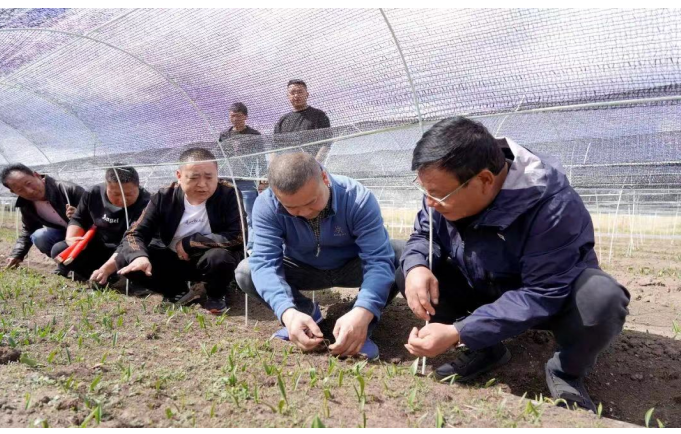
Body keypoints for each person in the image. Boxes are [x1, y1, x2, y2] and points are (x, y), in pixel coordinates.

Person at [397, 117, 630, 412]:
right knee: (404, 264)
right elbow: (424, 235)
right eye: (425, 192)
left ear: (484, 180)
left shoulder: (553, 206)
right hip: (481, 283)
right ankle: (486, 350)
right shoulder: (443, 191)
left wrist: (459, 332)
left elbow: (542, 292)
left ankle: (565, 371)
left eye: (437, 195)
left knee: (601, 297)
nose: (430, 202)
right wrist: (417, 266)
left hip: (547, 300)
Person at [235, 152, 399, 360]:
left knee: (399, 255)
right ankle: (304, 315)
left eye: (312, 201)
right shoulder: (266, 205)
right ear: (276, 194)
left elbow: (377, 260)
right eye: (291, 207)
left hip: (351, 266)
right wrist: (287, 312)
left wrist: (364, 310)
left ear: (324, 178)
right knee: (247, 271)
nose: (304, 212)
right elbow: (265, 262)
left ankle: (358, 324)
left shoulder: (357, 198)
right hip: (302, 269)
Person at [116, 147, 246, 314]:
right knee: (126, 258)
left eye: (209, 177)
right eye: (194, 177)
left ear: (217, 174)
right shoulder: (164, 196)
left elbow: (238, 235)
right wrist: (139, 256)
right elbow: (134, 233)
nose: (202, 184)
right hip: (173, 261)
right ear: (179, 175)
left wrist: (190, 243)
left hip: (209, 260)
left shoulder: (228, 194)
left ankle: (216, 294)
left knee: (219, 258)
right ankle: (177, 291)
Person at [50, 165, 150, 286]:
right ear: (106, 186)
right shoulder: (94, 193)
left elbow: (132, 240)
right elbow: (79, 218)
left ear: (138, 186)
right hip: (100, 246)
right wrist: (71, 237)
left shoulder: (147, 203)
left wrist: (107, 268)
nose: (122, 199)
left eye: (128, 195)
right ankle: (98, 276)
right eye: (115, 194)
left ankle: (114, 277)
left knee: (144, 258)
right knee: (59, 249)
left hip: (128, 249)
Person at [1, 163, 84, 269]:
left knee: (58, 248)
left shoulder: (68, 190)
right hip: (64, 233)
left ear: (37, 175)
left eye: (29, 183)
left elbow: (98, 216)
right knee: (40, 237)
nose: (29, 191)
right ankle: (72, 268)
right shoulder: (26, 205)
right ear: (13, 192)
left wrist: (80, 216)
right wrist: (17, 254)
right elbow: (29, 229)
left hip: (86, 233)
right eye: (20, 190)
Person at [218, 102, 266, 250]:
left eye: (238, 116)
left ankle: (251, 245)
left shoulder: (253, 135)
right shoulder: (224, 135)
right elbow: (220, 157)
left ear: (245, 117)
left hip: (246, 180)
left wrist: (261, 178)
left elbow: (260, 158)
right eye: (232, 116)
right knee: (228, 212)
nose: (235, 119)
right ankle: (231, 241)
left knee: (250, 214)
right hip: (228, 179)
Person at [273, 79, 331, 162]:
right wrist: (274, 166)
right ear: (288, 96)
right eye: (292, 92)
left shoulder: (319, 115)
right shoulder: (282, 121)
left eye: (300, 92)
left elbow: (326, 143)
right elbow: (275, 148)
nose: (296, 95)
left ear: (307, 94)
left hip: (311, 166)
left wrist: (315, 165)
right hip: (287, 166)